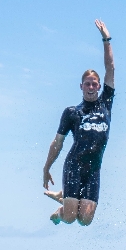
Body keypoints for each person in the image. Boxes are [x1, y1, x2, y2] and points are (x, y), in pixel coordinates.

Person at [43, 19, 115, 226]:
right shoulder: (72, 112)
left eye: (94, 84)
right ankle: (61, 209)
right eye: (87, 84)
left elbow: (110, 68)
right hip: (74, 166)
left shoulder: (106, 104)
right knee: (69, 218)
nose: (91, 87)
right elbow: (57, 142)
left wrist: (106, 39)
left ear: (100, 86)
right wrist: (46, 167)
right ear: (81, 86)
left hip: (94, 170)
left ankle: (64, 196)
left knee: (85, 220)